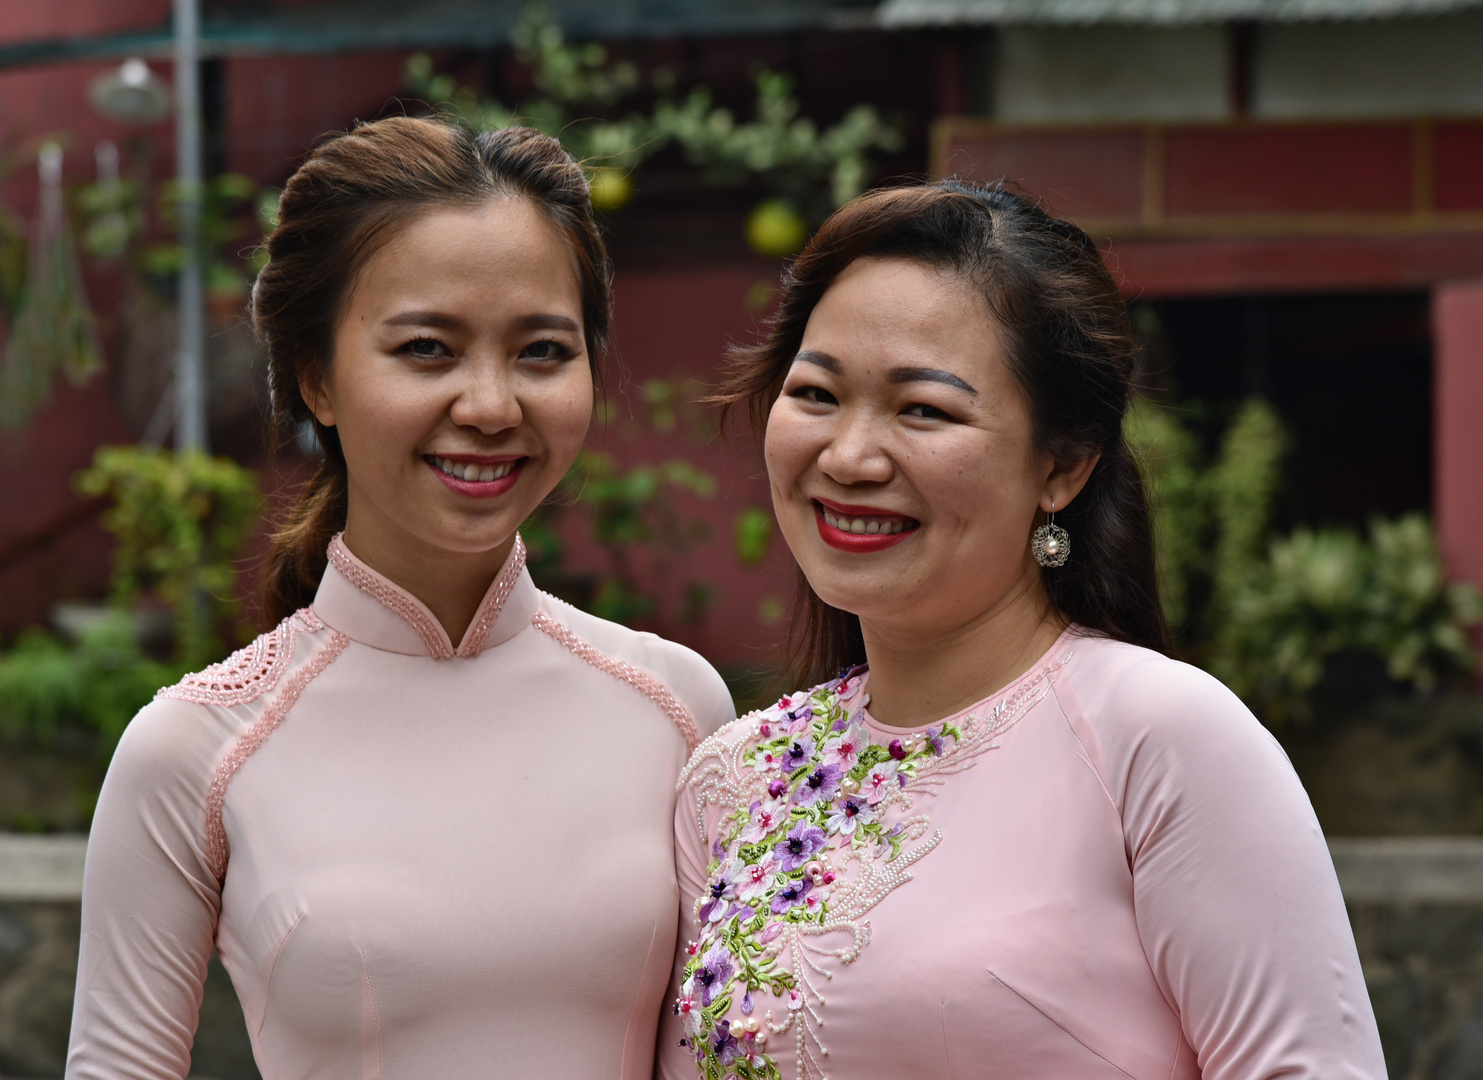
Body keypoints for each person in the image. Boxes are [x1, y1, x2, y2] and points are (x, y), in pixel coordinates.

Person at [657, 181, 1386, 1080]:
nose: (847, 457)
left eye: (923, 409)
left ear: (1063, 467)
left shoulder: (1157, 736)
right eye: (816, 394)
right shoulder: (732, 778)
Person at [66, 117, 733, 1079]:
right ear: (316, 380)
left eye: (542, 351)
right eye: (427, 349)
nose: (491, 405)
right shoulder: (196, 750)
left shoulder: (678, 708)